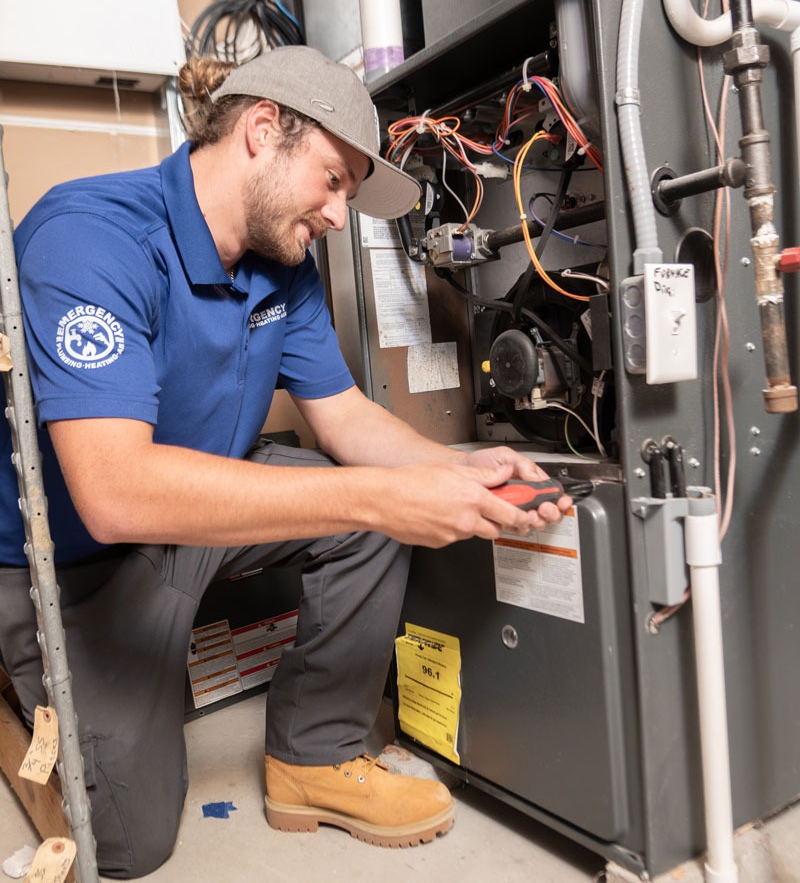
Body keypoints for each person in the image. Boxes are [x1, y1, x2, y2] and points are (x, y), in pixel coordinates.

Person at [0, 45, 572, 878]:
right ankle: (26, 691)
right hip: (76, 565)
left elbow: (344, 419)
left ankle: (315, 755)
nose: (341, 215)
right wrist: (380, 499)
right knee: (126, 842)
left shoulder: (283, 266)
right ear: (263, 132)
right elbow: (115, 491)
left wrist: (459, 472)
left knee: (374, 504)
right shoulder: (89, 235)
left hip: (197, 513)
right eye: (335, 180)